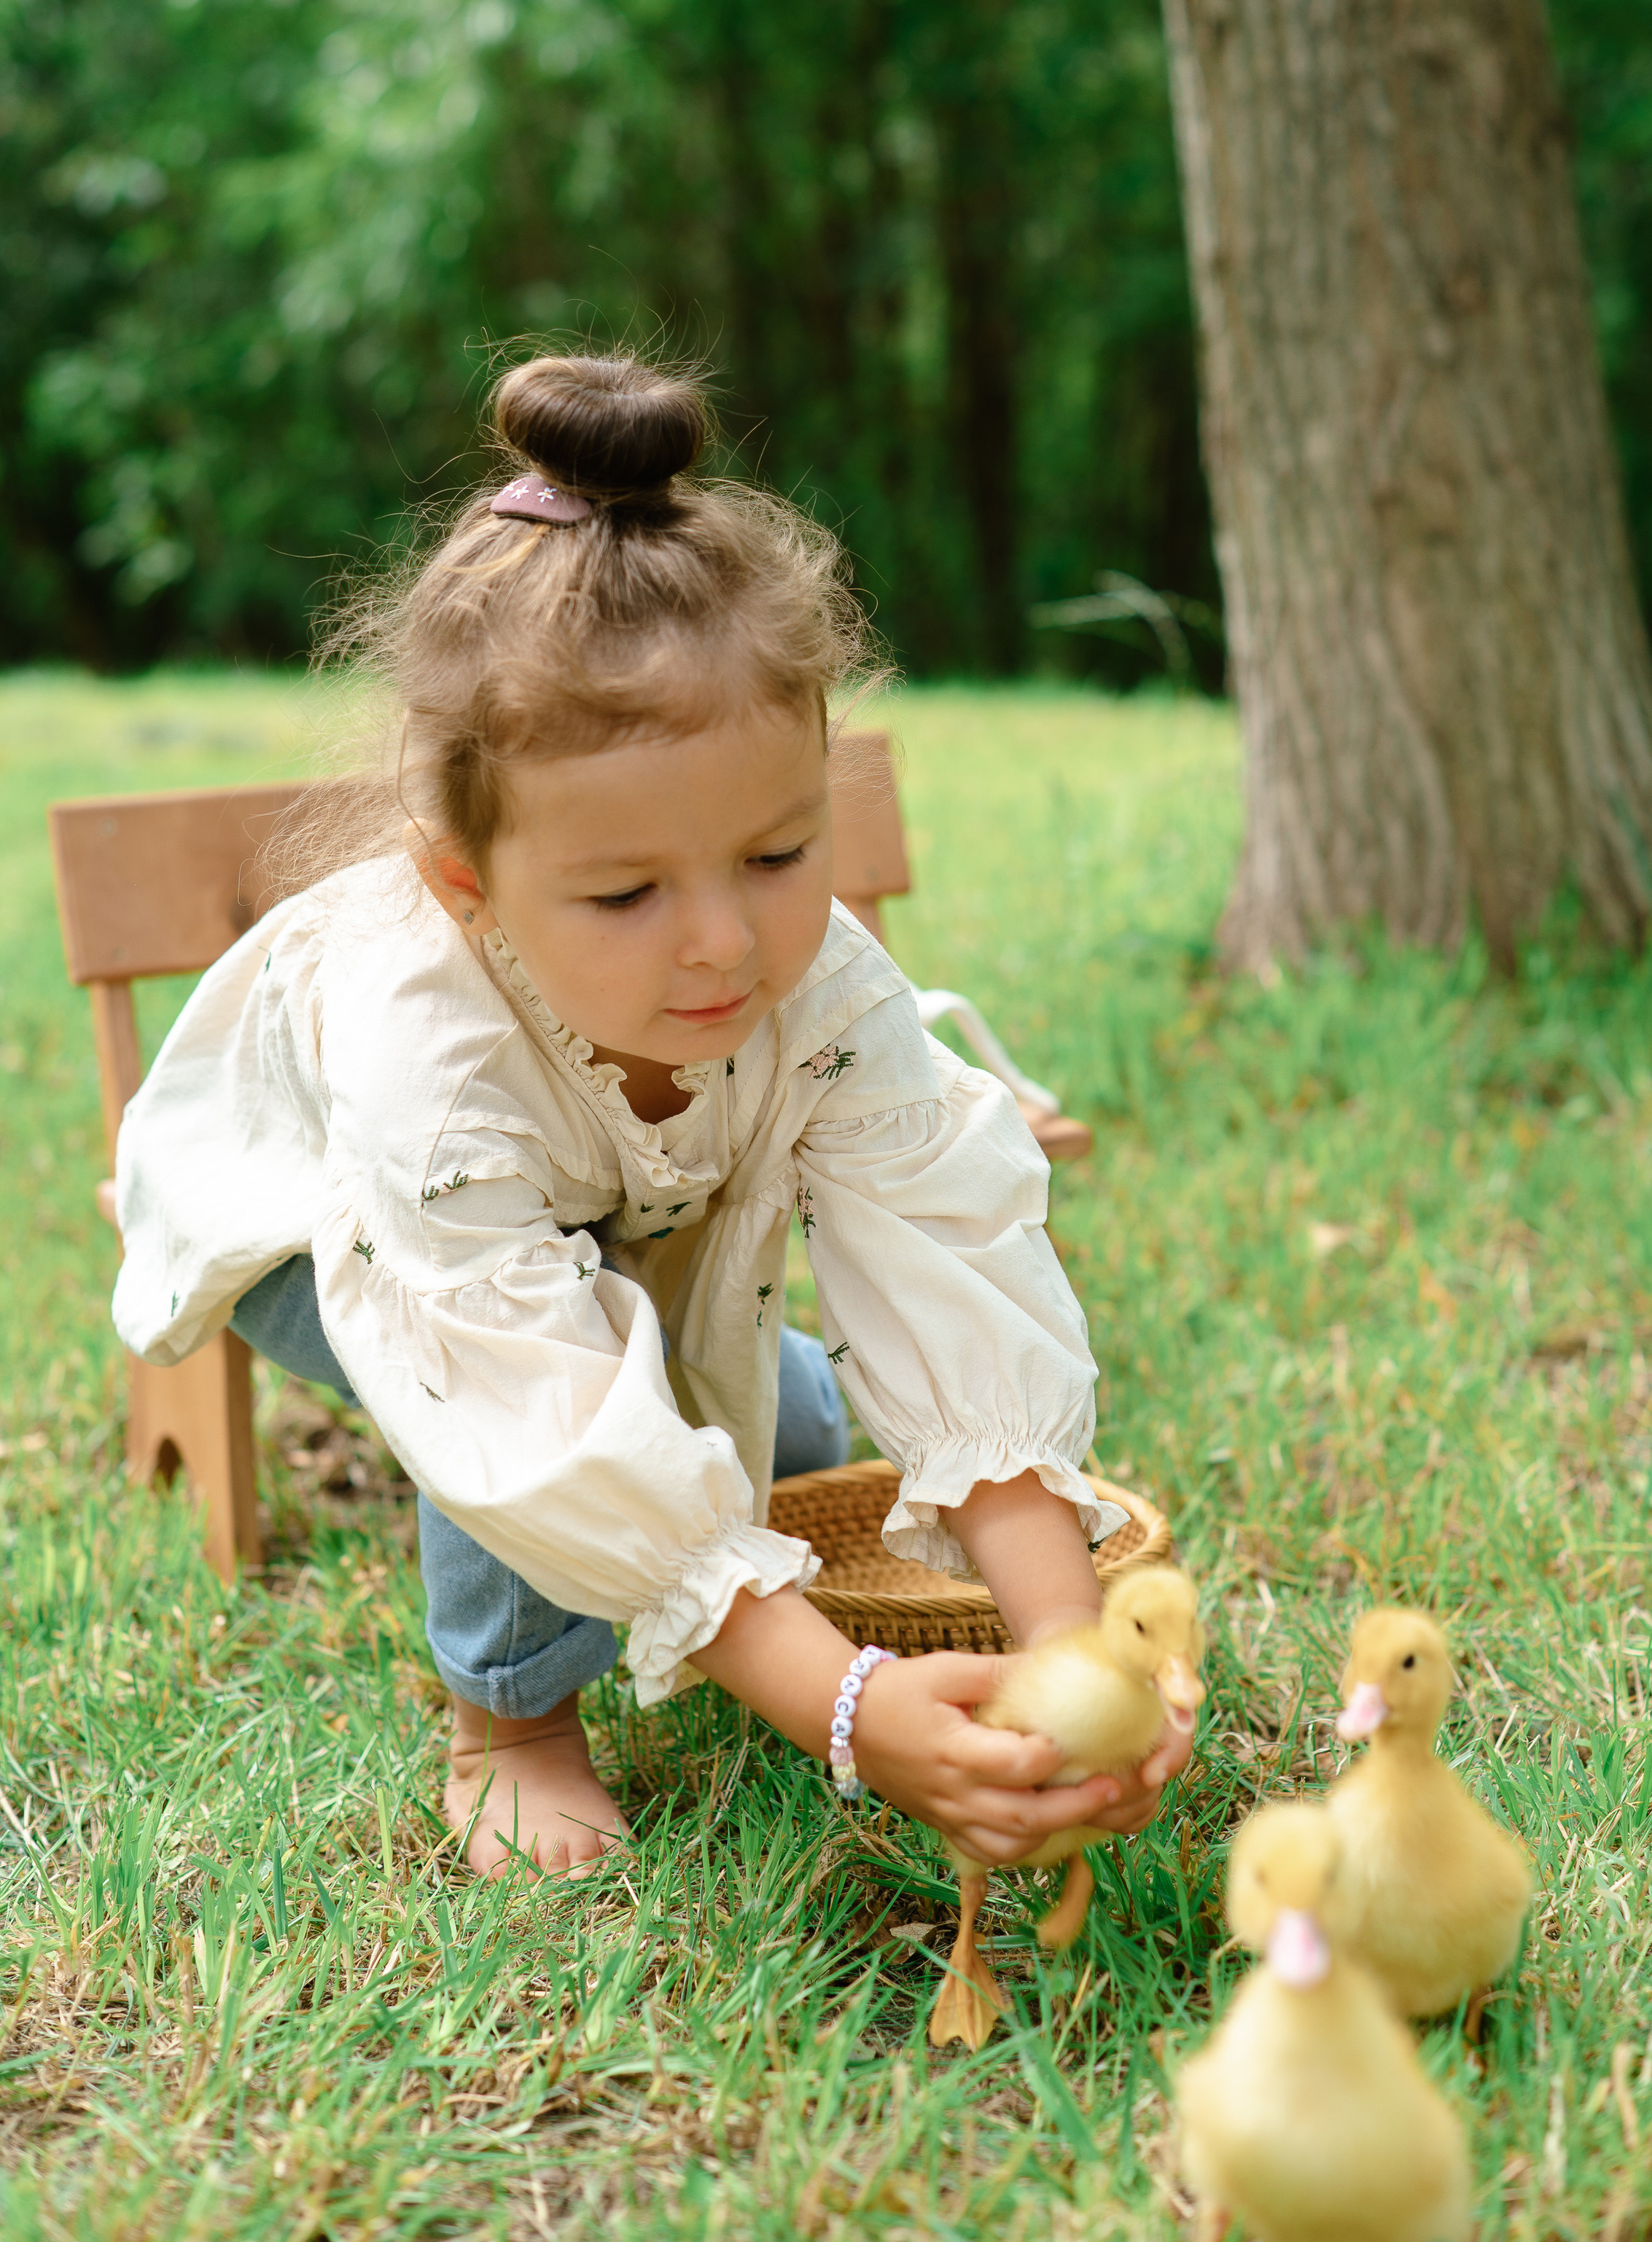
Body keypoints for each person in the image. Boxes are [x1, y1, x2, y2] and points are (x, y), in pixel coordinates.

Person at [112, 352, 1194, 1879]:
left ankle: (707, 1454)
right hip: (329, 1233)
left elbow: (955, 1269)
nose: (722, 944)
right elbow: (512, 1380)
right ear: (464, 882)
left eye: (776, 854)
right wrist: (848, 1704)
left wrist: (1070, 1648)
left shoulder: (825, 996)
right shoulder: (420, 1045)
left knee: (787, 1428)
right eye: (626, 892)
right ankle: (509, 1724)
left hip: (619, 1210)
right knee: (581, 1364)